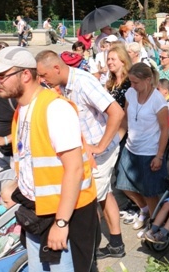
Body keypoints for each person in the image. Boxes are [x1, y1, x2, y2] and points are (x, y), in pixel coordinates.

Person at [0, 46, 99, 272]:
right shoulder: (22, 109)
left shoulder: (55, 109)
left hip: (64, 215)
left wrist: (61, 223)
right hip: (38, 212)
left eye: (1, 76)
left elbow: (74, 170)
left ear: (25, 75)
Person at [35, 50, 126, 259]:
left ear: (56, 68)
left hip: (100, 151)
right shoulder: (64, 85)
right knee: (104, 195)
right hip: (88, 150)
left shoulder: (83, 82)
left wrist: (101, 146)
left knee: (88, 200)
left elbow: (117, 112)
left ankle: (87, 251)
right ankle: (116, 243)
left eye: (43, 75)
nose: (41, 80)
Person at [115, 63, 169, 233]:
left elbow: (164, 129)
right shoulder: (130, 93)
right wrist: (116, 140)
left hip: (149, 151)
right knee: (123, 184)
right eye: (130, 81)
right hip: (131, 147)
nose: (132, 85)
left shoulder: (158, 100)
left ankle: (154, 224)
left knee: (149, 191)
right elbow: (125, 118)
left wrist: (159, 155)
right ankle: (144, 209)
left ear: (148, 80)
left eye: (135, 82)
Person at [106, 44, 133, 109]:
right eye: (108, 59)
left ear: (123, 61)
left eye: (113, 59)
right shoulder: (110, 83)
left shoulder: (131, 82)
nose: (109, 62)